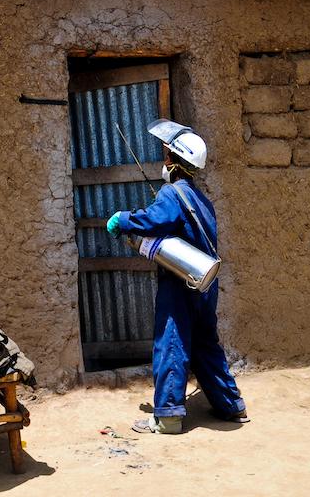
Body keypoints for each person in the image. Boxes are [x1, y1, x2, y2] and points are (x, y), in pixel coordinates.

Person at [106, 119, 247, 434]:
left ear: (175, 161)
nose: (164, 160)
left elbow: (154, 221)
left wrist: (123, 219)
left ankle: (168, 416)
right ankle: (232, 406)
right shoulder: (202, 201)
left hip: (180, 285)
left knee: (171, 342)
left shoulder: (172, 194)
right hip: (206, 284)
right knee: (205, 345)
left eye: (167, 155)